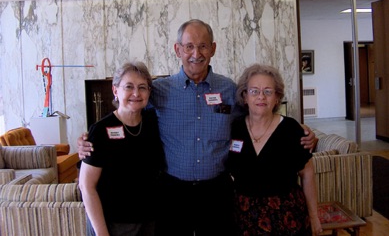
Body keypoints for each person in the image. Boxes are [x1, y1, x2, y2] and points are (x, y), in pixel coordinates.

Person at [78, 19, 318, 236]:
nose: (196, 53)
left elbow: (259, 114)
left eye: (203, 46)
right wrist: (92, 139)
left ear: (213, 49)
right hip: (173, 192)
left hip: (217, 191)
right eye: (189, 46)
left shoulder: (229, 90)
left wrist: (302, 132)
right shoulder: (159, 91)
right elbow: (129, 113)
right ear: (177, 50)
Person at [227, 63, 322, 235]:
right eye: (254, 91)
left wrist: (314, 217)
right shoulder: (235, 128)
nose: (261, 97)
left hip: (286, 217)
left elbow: (307, 174)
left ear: (277, 97)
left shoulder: (292, 129)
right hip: (243, 218)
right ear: (245, 96)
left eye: (268, 91)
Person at [78, 61, 166, 236]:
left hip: (149, 221)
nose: (136, 93)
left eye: (142, 87)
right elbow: (86, 186)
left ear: (149, 92)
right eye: (129, 87)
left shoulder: (153, 123)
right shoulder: (101, 131)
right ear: (115, 90)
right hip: (113, 224)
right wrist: (102, 233)